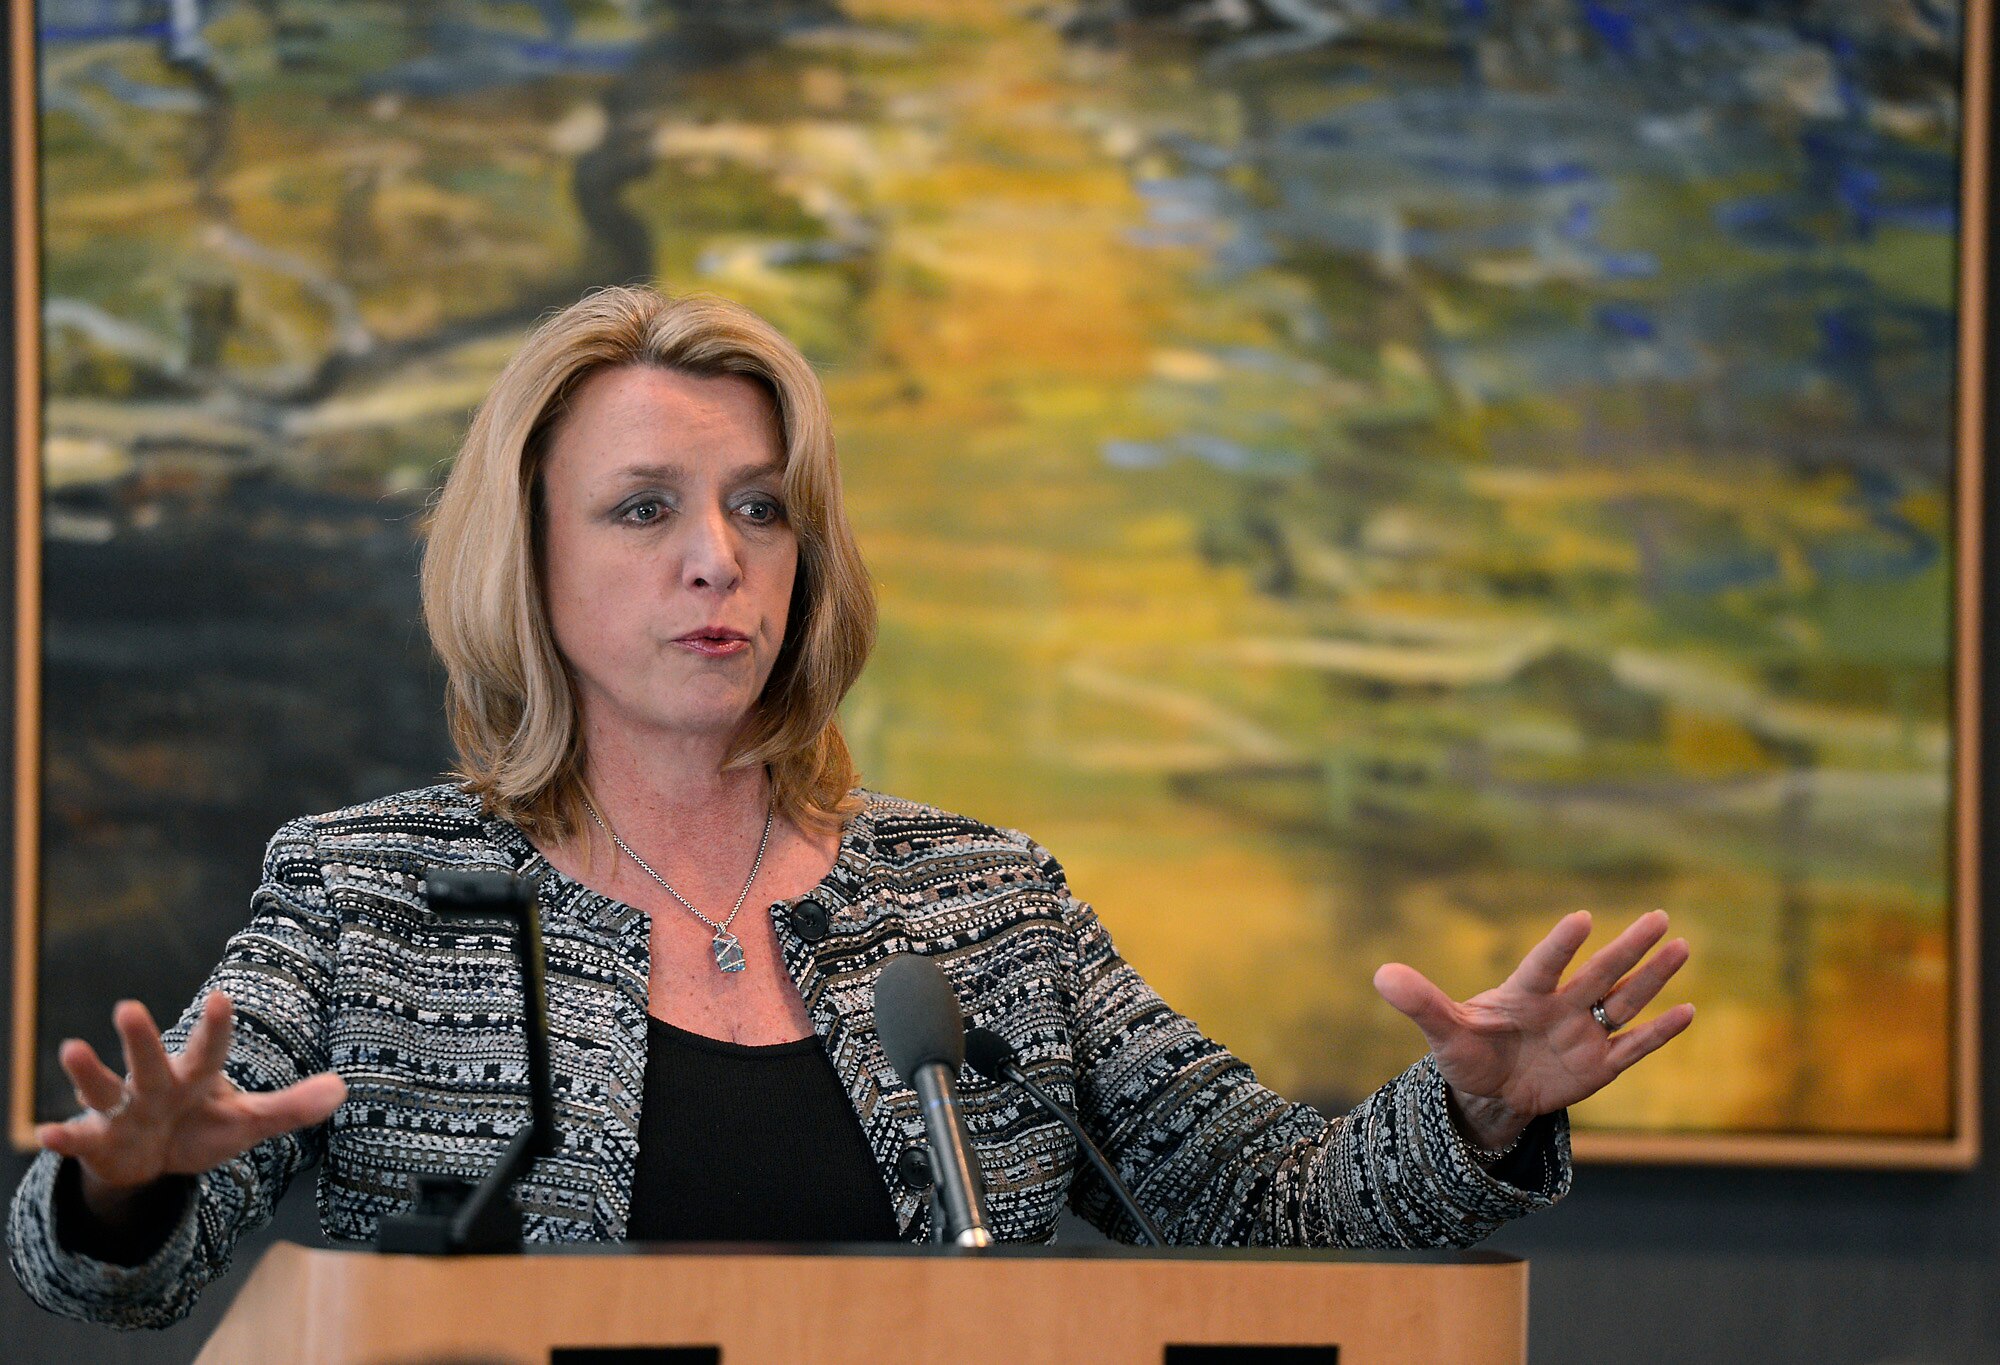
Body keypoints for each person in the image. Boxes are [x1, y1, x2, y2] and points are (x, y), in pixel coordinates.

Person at [8, 287, 1693, 1328]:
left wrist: (1474, 1115)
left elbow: (1276, 1204)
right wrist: (131, 1186)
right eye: (645, 507)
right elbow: (115, 1279)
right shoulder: (373, 892)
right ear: (522, 554)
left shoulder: (981, 901)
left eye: (760, 505)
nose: (716, 556)